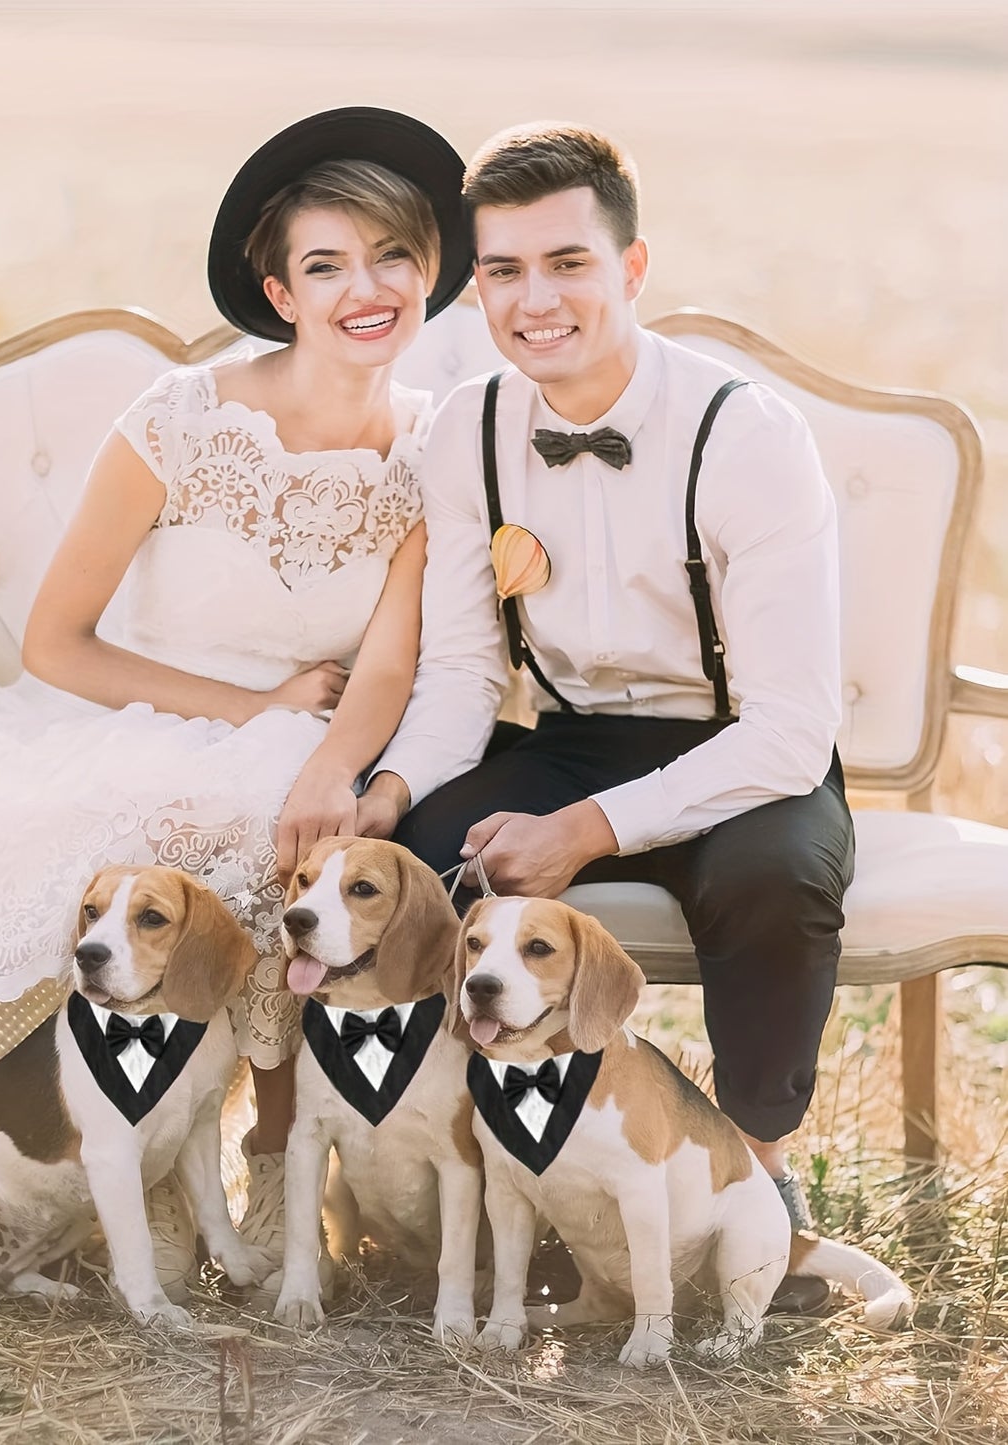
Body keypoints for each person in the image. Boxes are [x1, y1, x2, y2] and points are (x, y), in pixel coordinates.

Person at [0, 107, 473, 1277]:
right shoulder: (179, 421)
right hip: (139, 718)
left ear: (432, 269)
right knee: (207, 837)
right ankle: (108, 1179)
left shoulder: (436, 446)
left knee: (310, 838)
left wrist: (327, 757)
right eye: (325, 265)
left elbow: (388, 663)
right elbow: (56, 642)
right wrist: (262, 713)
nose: (366, 287)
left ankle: (280, 1188)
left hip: (313, 733)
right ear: (280, 293)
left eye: (392, 255)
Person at [356, 124, 848, 1230]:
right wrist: (384, 798)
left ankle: (755, 1180)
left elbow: (790, 729)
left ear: (629, 268)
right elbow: (456, 674)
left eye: (566, 262)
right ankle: (443, 1173)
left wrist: (580, 829)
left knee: (772, 882)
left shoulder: (745, 435)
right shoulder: (464, 434)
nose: (534, 300)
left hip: (741, 750)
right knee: (404, 868)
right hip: (572, 737)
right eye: (502, 270)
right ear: (475, 284)